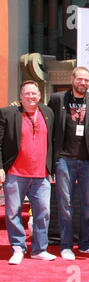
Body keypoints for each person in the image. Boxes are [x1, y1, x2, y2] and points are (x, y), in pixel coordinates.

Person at [48, 66, 89, 260]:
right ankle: (66, 246)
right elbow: (48, 125)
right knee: (65, 204)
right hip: (64, 160)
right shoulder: (58, 99)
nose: (83, 83)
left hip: (88, 162)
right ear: (72, 79)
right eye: (80, 79)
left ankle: (85, 244)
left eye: (87, 80)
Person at [0, 80, 55, 264]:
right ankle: (18, 248)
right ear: (21, 96)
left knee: (43, 213)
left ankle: (39, 249)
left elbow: (53, 141)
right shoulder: (8, 113)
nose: (31, 97)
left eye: (34, 93)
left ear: (40, 96)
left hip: (41, 175)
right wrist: (0, 168)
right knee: (13, 212)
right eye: (27, 93)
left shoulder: (48, 113)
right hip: (16, 173)